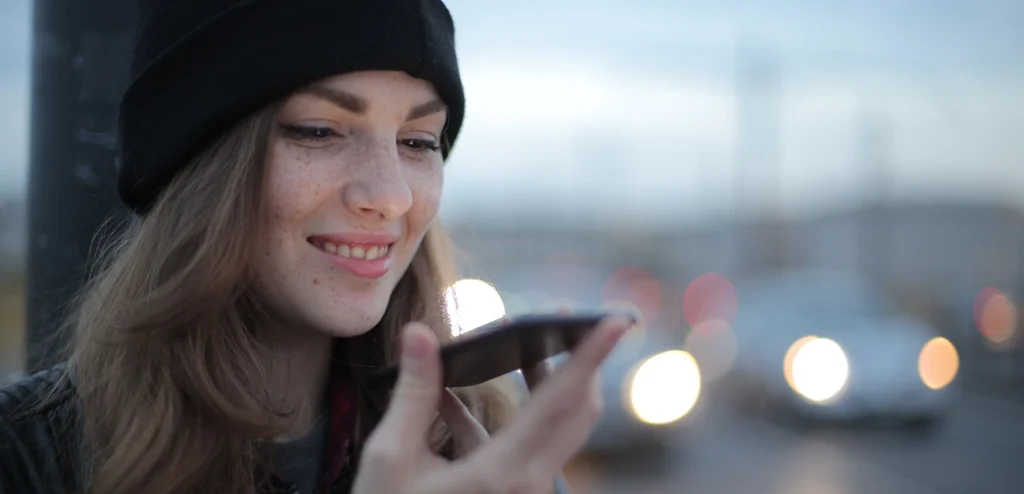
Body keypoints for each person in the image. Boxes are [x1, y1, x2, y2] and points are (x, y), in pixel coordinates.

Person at [0, 1, 632, 493]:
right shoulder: (25, 457)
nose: (389, 196)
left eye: (419, 142)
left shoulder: (485, 453)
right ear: (198, 166)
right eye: (320, 130)